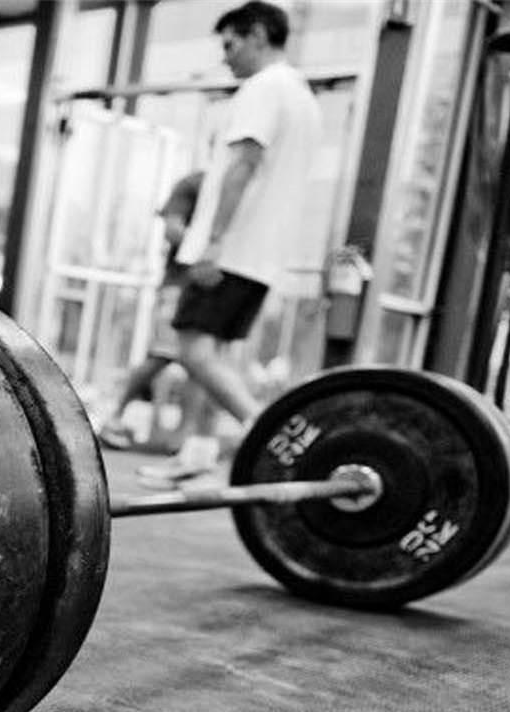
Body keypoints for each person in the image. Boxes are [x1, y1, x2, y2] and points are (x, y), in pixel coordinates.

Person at [137, 0, 321, 485]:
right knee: (212, 357)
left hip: (231, 251)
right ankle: (198, 454)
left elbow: (243, 166)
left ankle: (279, 441)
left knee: (194, 353)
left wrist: (214, 242)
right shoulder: (301, 95)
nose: (227, 57)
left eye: (231, 44)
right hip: (260, 256)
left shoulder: (265, 87)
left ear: (257, 34)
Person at [97, 170, 205, 451]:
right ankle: (115, 417)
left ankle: (182, 439)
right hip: (179, 286)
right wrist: (209, 250)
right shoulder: (193, 183)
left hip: (207, 290)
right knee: (161, 355)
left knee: (200, 365)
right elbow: (172, 228)